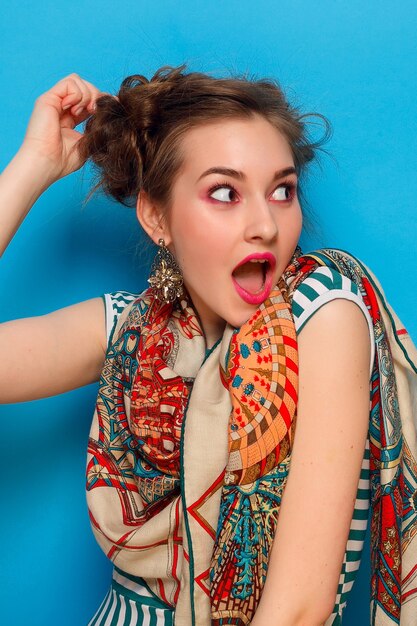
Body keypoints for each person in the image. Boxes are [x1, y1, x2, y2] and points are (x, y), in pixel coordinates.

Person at [1, 66, 416, 626]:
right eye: (225, 192)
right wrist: (32, 168)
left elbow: (297, 609)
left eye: (282, 190)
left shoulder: (323, 316)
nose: (265, 224)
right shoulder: (128, 331)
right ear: (156, 217)